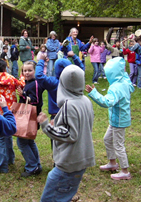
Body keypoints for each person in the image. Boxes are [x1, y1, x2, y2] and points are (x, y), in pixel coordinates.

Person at [38, 64, 95, 201]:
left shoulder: (69, 105)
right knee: (64, 195)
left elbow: (70, 134)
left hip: (69, 162)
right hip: (81, 159)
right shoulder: (85, 100)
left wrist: (47, 126)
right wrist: (57, 124)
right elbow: (81, 125)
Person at [86, 57, 134, 180]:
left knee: (118, 145)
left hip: (119, 121)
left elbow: (107, 102)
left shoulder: (116, 88)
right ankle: (112, 163)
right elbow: (130, 85)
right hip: (116, 120)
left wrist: (94, 93)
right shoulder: (124, 81)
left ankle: (125, 171)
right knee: (107, 139)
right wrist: (124, 72)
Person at [0, 58, 25, 173]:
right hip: (11, 112)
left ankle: (2, 165)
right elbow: (21, 85)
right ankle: (9, 159)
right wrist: (22, 75)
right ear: (4, 67)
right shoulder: (11, 78)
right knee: (7, 135)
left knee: (0, 139)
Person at [16, 61, 44, 177]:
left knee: (22, 142)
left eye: (29, 70)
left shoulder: (35, 84)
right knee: (29, 141)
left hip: (30, 117)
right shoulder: (28, 83)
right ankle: (36, 165)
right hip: (28, 117)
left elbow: (36, 100)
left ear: (35, 71)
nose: (26, 73)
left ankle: (32, 166)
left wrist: (23, 95)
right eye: (24, 70)